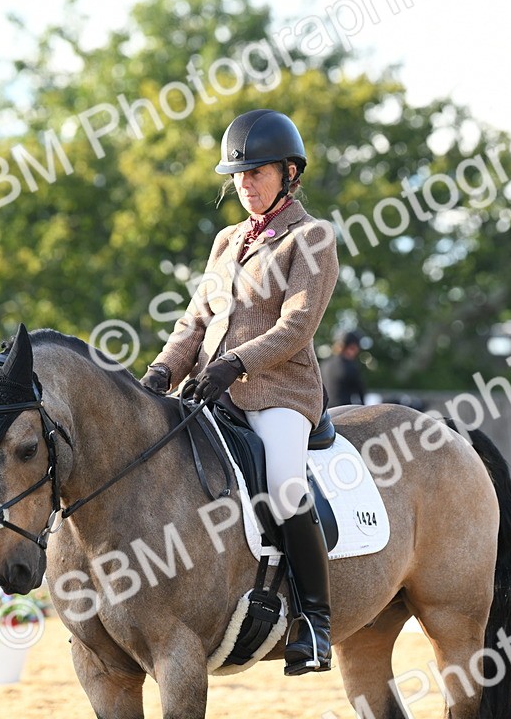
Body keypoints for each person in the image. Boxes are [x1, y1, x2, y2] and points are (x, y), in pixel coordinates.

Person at [140, 108, 339, 676]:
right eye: (238, 176)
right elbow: (195, 321)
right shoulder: (228, 240)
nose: (244, 185)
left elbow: (296, 327)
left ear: (289, 173)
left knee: (283, 481)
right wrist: (160, 374)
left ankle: (316, 624)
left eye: (256, 173)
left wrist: (234, 363)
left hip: (279, 392)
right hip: (213, 390)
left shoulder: (311, 238)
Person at [322, 329, 367, 407]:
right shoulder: (350, 367)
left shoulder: (325, 364)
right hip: (343, 411)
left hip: (325, 412)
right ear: (352, 347)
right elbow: (360, 393)